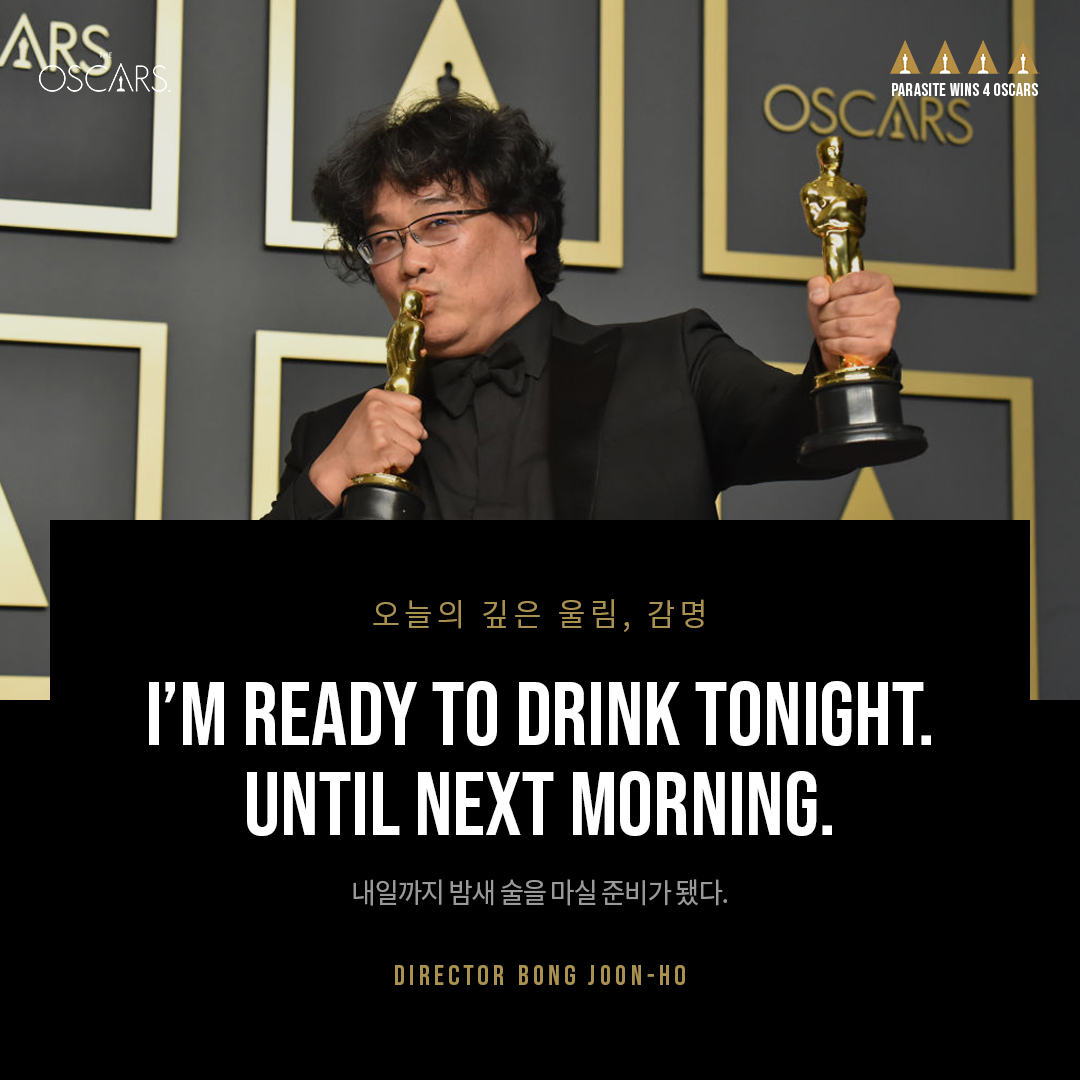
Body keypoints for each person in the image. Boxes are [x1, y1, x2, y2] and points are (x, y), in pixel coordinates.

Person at [263, 95, 900, 520]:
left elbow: (814, 434)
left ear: (524, 226)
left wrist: (849, 356)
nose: (410, 262)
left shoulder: (673, 363)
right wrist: (327, 479)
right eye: (385, 239)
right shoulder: (327, 437)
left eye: (438, 223)